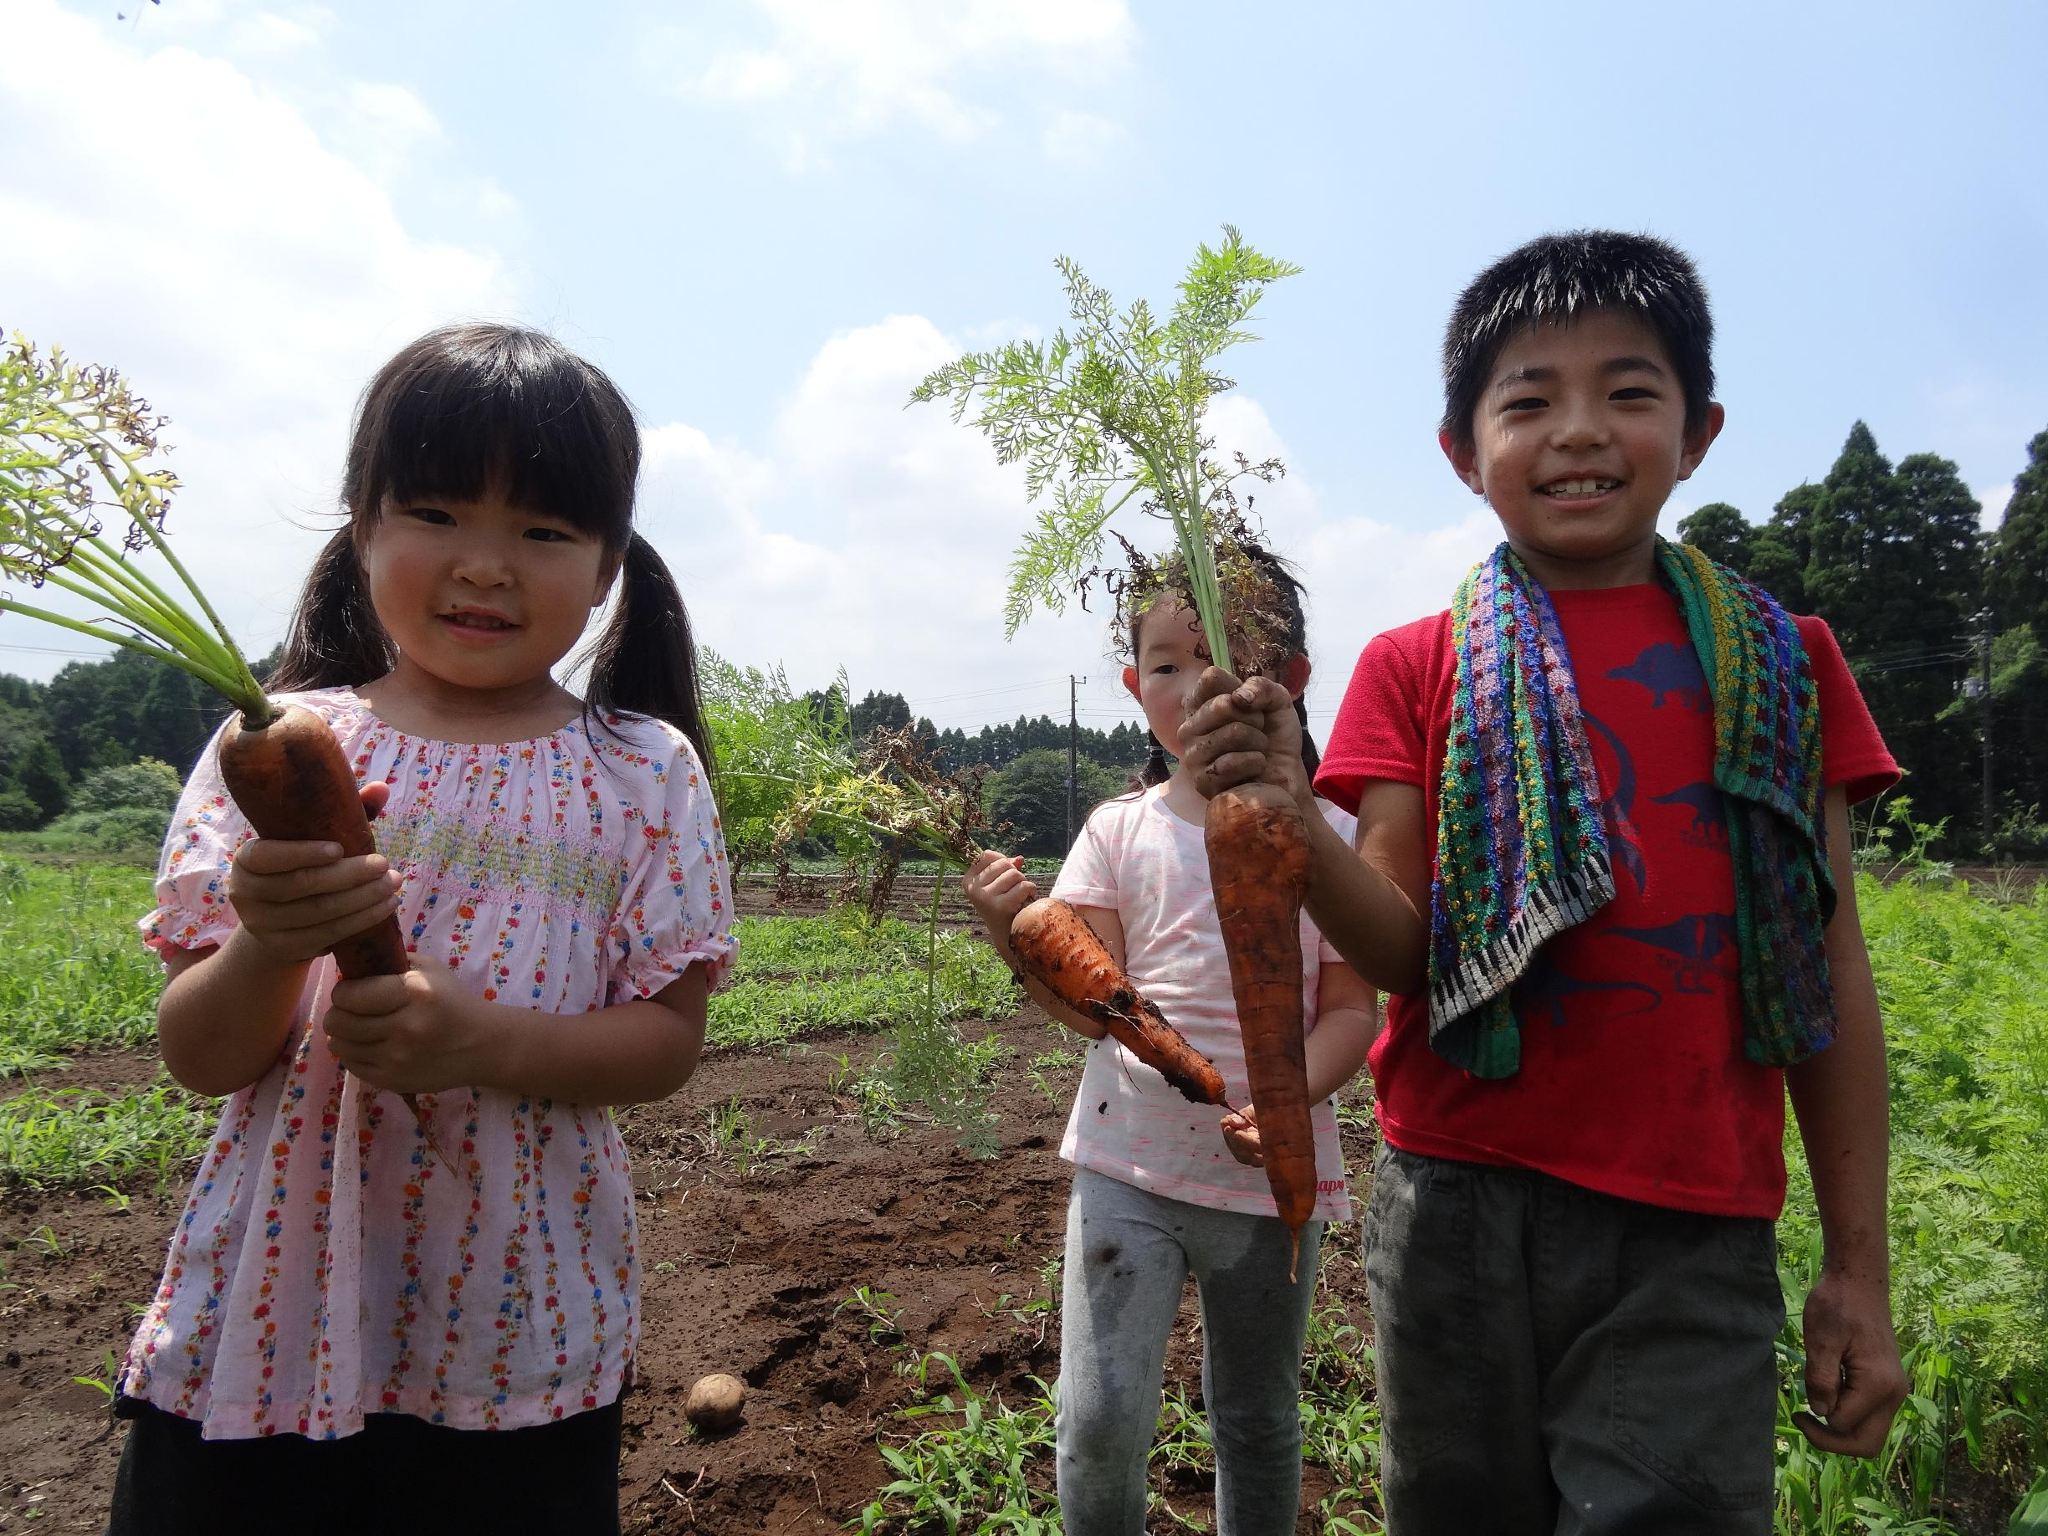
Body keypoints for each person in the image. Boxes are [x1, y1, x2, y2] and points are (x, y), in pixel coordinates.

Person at [1180, 231, 1909, 1534]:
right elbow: (1407, 952)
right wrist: (1292, 826)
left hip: (1693, 1232)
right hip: (1457, 1209)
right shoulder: (1419, 666)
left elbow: (1828, 970)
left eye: (1629, 393)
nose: (1580, 430)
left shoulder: (1791, 667)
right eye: (1530, 399)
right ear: (1465, 451)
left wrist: (1860, 1267)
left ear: (1698, 433)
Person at [107, 323, 735, 1536]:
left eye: (543, 532)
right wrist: (269, 942)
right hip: (266, 1317)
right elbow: (198, 1056)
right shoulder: (278, 741)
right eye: (437, 514)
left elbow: (665, 1043)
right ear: (362, 532)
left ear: (608, 569)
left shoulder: (640, 771)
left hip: (516, 1321)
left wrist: (483, 1043)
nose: (486, 567)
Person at [964, 545, 1379, 1536]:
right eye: (1164, 663)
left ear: (1292, 679)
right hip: (1128, 1162)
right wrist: (1011, 933)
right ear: (1131, 687)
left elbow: (1349, 1012)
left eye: (1229, 654)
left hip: (1269, 1178)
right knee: (1099, 1416)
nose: (1196, 684)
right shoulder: (1117, 830)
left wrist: (1287, 1102)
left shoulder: (1327, 836)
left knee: (1255, 1418)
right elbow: (1091, 1000)